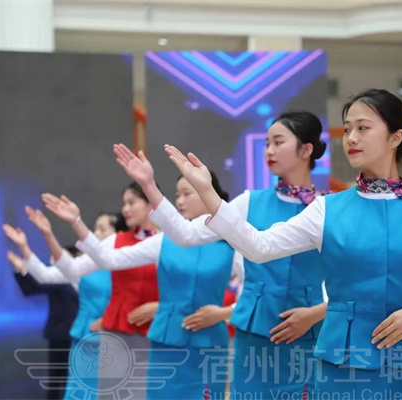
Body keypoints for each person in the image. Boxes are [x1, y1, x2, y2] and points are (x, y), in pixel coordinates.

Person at [165, 89, 402, 398]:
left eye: (363, 128)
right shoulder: (325, 209)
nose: (351, 138)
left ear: (395, 137)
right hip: (342, 362)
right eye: (347, 130)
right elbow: (259, 246)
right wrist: (208, 193)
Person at [111, 111, 330, 398]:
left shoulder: (329, 208)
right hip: (254, 330)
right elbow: (186, 234)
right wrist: (149, 185)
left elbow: (350, 277)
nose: (269, 151)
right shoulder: (250, 201)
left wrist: (315, 314)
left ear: (306, 149)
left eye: (278, 142)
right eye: (266, 144)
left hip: (308, 331)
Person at [44, 172, 242, 399]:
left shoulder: (232, 243)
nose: (180, 201)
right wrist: (76, 223)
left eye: (187, 194)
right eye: (177, 194)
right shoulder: (164, 241)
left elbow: (256, 287)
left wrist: (224, 313)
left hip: (209, 342)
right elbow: (109, 259)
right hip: (166, 342)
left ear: (208, 194)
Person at [42, 182, 160, 400]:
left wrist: (161, 306)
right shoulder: (116, 241)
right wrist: (70, 225)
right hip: (118, 335)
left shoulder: (171, 240)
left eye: (132, 202)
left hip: (157, 333)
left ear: (150, 203)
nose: (125, 209)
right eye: (124, 203)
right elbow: (73, 269)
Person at [4, 209, 125, 399]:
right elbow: (47, 275)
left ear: (120, 234)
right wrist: (30, 244)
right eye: (95, 229)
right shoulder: (88, 264)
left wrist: (113, 317)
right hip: (85, 337)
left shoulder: (130, 262)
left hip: (118, 338)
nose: (96, 234)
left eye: (103, 230)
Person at [6, 246, 78, 400]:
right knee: (56, 377)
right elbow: (34, 287)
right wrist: (21, 270)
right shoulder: (57, 279)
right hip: (60, 335)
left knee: (77, 378)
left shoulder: (89, 277)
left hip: (83, 335)